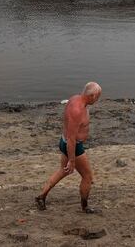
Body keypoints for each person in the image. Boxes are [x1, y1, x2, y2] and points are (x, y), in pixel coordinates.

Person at [36, 82, 102, 213]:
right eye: (98, 96)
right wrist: (72, 160)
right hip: (72, 146)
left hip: (64, 140)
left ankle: (41, 196)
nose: (98, 99)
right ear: (92, 96)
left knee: (63, 170)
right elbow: (72, 139)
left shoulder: (74, 99)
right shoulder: (77, 110)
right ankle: (85, 207)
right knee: (87, 177)